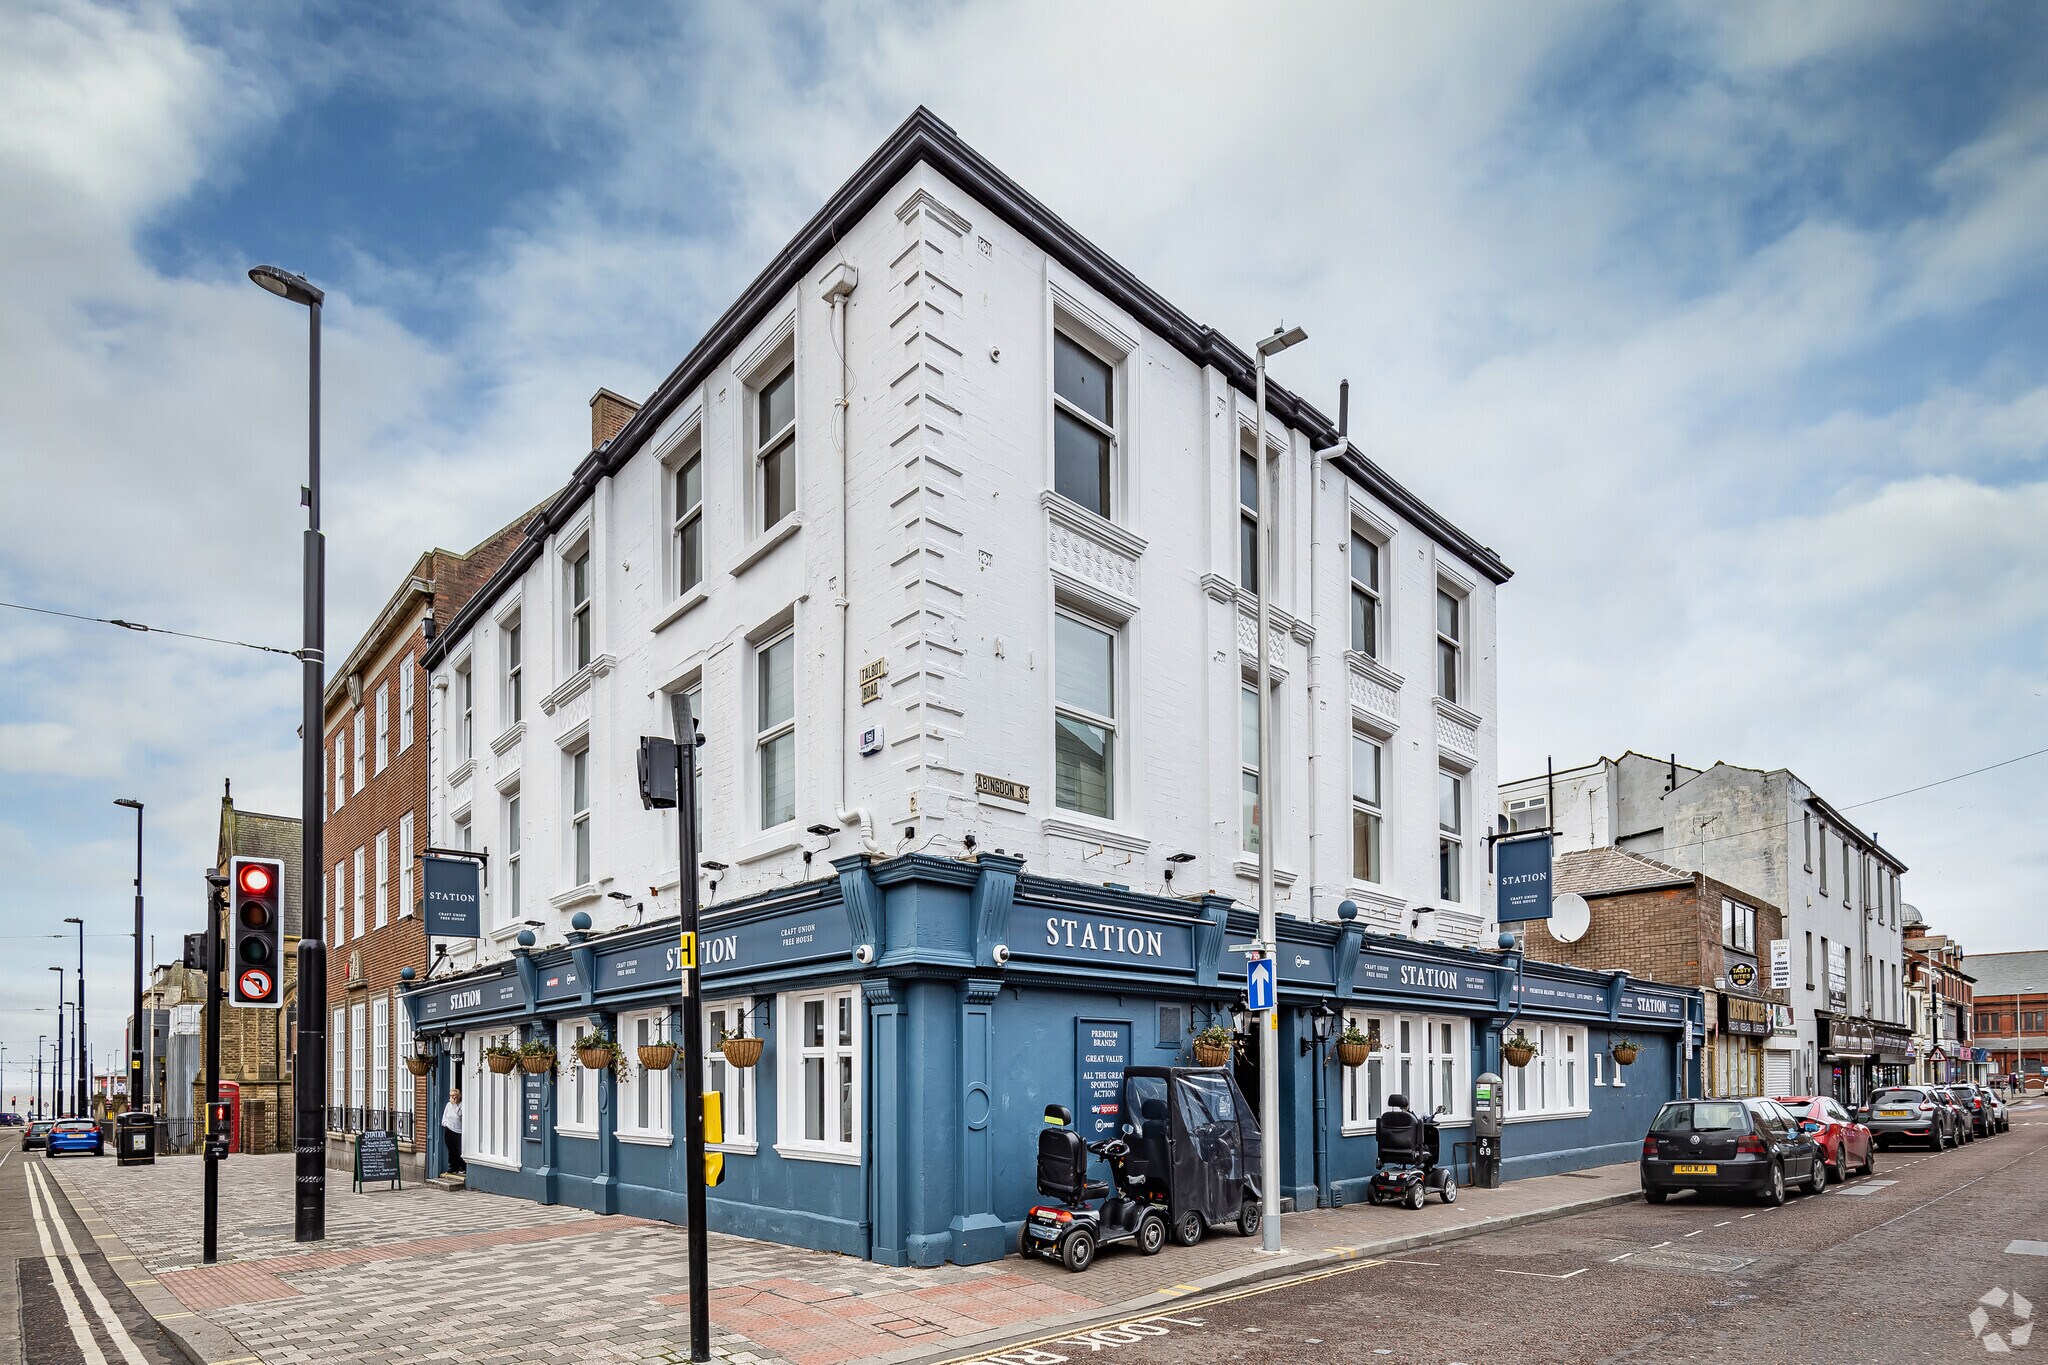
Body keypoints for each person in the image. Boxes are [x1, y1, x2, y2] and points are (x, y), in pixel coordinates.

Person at [441, 1088, 466, 1175]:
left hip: (459, 1131)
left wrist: (455, 1105)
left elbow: (459, 1114)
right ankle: (453, 1167)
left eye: (454, 1095)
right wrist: (445, 1123)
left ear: (459, 1096)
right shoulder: (448, 1105)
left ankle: (462, 1167)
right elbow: (445, 1115)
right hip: (449, 1129)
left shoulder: (462, 1105)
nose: (452, 1097)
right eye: (451, 1095)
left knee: (459, 1150)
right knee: (451, 1150)